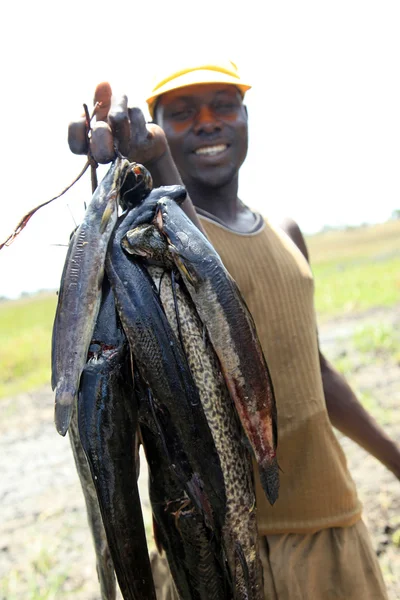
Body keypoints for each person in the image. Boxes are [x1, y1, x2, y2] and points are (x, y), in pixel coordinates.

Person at [68, 58, 399, 599]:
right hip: (217, 549)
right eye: (181, 113)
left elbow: (311, 369)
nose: (206, 121)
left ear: (245, 117)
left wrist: (394, 457)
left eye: (223, 105)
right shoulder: (152, 249)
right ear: (157, 129)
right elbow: (204, 274)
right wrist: (151, 163)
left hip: (329, 520)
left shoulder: (286, 230)